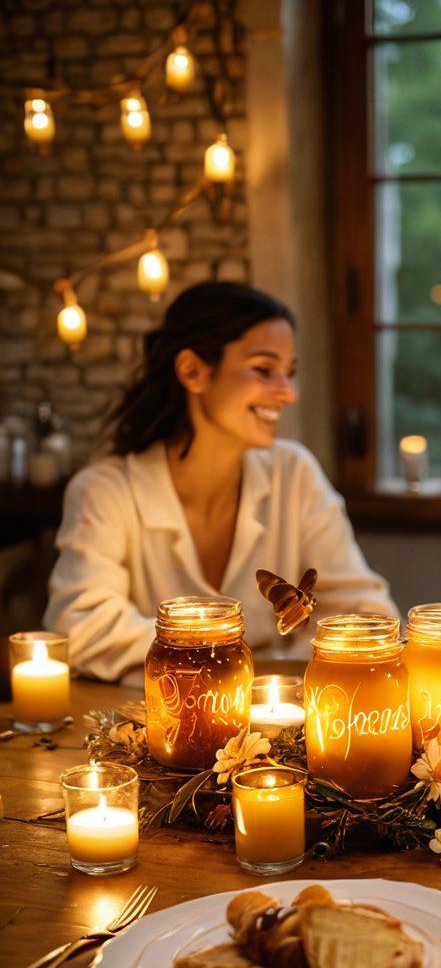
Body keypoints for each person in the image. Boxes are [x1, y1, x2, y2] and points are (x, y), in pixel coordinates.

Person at [45, 282, 398, 682]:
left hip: (281, 723)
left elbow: (365, 612)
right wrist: (229, 660)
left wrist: (276, 674)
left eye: (290, 373)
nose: (288, 393)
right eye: (264, 370)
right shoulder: (107, 491)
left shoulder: (293, 473)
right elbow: (79, 624)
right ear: (192, 371)